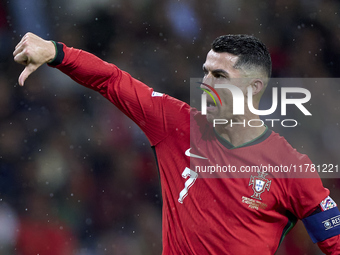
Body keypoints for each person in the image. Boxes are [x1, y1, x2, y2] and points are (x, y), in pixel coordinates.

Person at [13, 32, 340, 254]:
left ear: (254, 87)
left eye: (220, 76)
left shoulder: (290, 166)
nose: (206, 83)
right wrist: (57, 52)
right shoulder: (176, 124)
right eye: (205, 72)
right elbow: (112, 80)